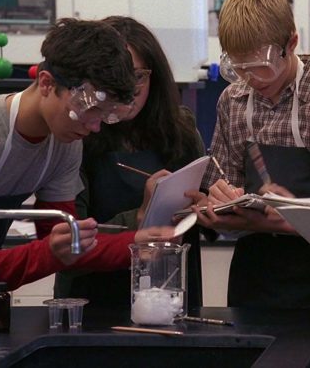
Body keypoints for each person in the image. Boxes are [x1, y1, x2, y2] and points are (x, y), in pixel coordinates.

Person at [0, 18, 176, 294]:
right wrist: (49, 253)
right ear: (46, 83)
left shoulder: (65, 141)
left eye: (105, 115)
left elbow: (69, 242)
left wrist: (137, 243)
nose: (94, 127)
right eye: (86, 108)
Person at [188, 0, 310, 312]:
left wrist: (279, 215)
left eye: (261, 67)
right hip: (252, 279)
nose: (251, 79)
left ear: (291, 43)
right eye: (240, 68)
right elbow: (221, 186)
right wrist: (221, 202)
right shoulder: (233, 101)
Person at [53, 16, 206, 310]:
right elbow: (66, 243)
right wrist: (140, 217)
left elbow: (202, 220)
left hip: (169, 297)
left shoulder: (181, 130)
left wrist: (209, 207)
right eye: (116, 78)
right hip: (94, 301)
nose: (128, 89)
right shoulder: (77, 134)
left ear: (155, 77)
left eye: (138, 76)